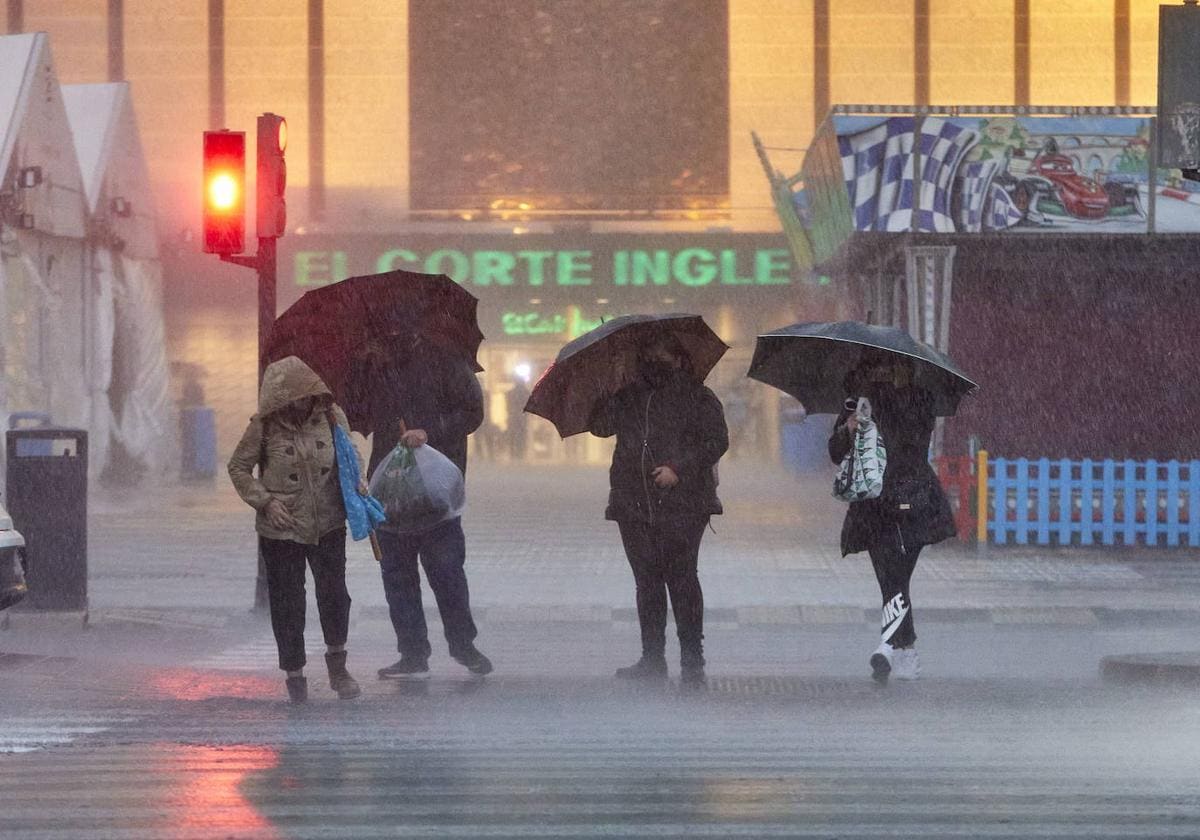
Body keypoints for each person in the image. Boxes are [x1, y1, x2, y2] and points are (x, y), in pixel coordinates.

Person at [589, 335, 729, 687]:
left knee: (682, 578)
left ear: (679, 358)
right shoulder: (629, 394)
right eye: (647, 353)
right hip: (632, 501)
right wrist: (610, 385)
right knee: (647, 581)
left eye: (660, 352)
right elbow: (600, 426)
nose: (652, 359)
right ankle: (652, 657)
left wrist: (677, 468)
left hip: (685, 503)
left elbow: (716, 440)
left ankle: (692, 659)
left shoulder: (697, 396)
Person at [228, 356, 362, 703]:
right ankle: (295, 674)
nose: (300, 402)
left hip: (328, 522)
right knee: (288, 602)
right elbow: (239, 467)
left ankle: (338, 665)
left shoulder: (332, 417)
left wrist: (357, 481)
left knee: (334, 594)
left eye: (305, 395)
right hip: (281, 529)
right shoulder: (263, 426)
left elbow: (350, 455)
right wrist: (265, 502)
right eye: (292, 397)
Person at [365, 338, 493, 679]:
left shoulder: (449, 361)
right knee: (398, 578)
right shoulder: (376, 366)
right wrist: (373, 371)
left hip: (436, 494)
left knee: (447, 573)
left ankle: (463, 645)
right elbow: (362, 413)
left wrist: (429, 431)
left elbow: (472, 412)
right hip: (390, 490)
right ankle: (412, 653)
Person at [828, 350, 955, 683]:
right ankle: (903, 649)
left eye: (890, 367)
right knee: (891, 576)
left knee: (896, 576)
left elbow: (910, 444)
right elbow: (834, 452)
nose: (884, 374)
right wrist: (850, 427)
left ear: (903, 368)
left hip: (914, 498)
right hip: (873, 503)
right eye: (878, 368)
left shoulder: (918, 400)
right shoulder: (856, 403)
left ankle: (890, 644)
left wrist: (880, 412)